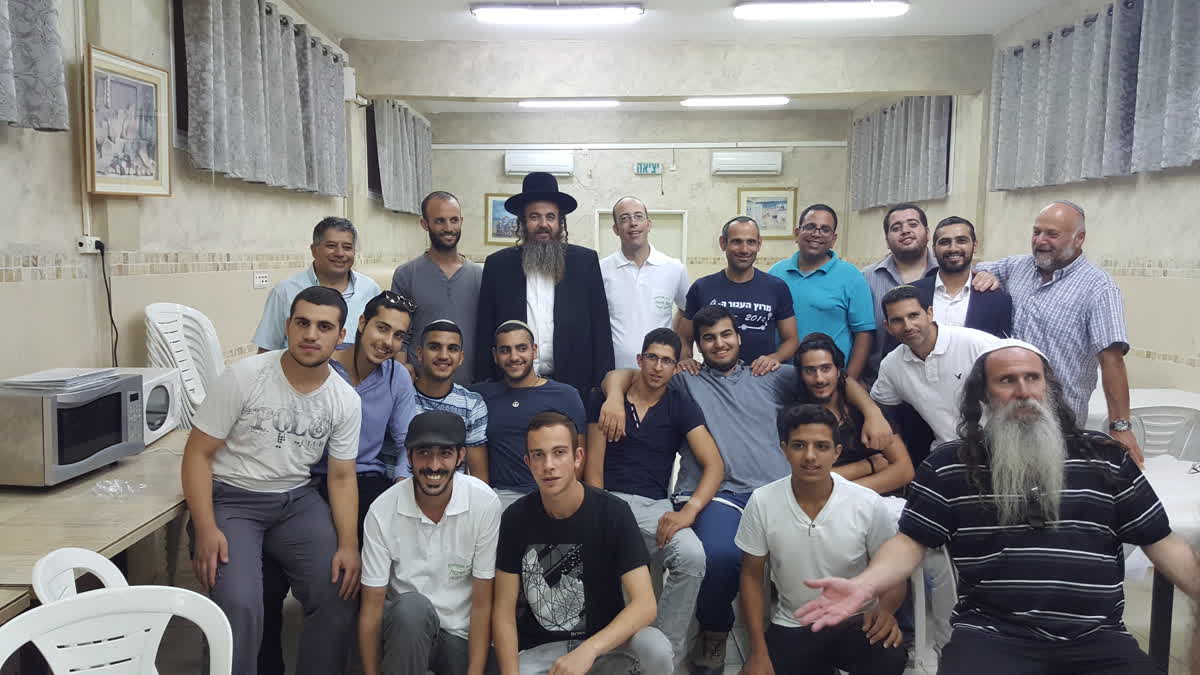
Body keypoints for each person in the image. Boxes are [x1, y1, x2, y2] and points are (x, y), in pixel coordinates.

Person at [796, 341, 1200, 675]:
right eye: (1007, 380)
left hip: (1097, 637)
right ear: (984, 396)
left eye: (1032, 378)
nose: (1023, 391)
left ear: (1048, 388)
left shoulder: (1105, 459)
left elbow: (1159, 540)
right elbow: (910, 542)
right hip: (992, 636)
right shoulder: (950, 466)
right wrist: (865, 585)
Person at [598, 305, 892, 674]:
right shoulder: (686, 378)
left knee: (823, 545)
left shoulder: (769, 374)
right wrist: (613, 397)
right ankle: (715, 631)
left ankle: (822, 633)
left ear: (739, 337)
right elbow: (624, 375)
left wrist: (874, 412)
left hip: (776, 491)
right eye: (709, 338)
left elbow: (833, 378)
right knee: (719, 556)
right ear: (698, 346)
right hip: (719, 494)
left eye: (726, 335)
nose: (719, 344)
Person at [182, 286, 361, 675]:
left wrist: (349, 545)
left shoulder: (345, 399)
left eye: (324, 327)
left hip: (297, 501)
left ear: (341, 335)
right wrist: (205, 527)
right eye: (303, 323)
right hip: (234, 499)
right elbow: (197, 454)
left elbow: (342, 476)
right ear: (287, 326)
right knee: (239, 602)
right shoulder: (245, 377)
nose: (311, 335)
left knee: (338, 589)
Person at [259, 290, 419, 675]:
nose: (388, 342)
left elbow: (407, 442)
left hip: (362, 479)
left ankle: (353, 656)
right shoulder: (322, 363)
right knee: (267, 577)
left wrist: (401, 483)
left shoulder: (396, 377)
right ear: (361, 324)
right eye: (382, 328)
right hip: (306, 477)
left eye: (398, 336)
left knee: (354, 569)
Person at [493, 411, 673, 675]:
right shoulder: (515, 518)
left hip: (604, 649)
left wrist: (588, 650)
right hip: (541, 655)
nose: (548, 465)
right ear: (528, 463)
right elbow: (503, 613)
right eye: (538, 455)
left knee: (654, 646)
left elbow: (645, 604)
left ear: (578, 457)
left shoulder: (613, 512)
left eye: (559, 453)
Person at [584, 327, 723, 668]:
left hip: (654, 506)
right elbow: (593, 469)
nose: (658, 367)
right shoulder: (607, 400)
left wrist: (689, 511)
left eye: (666, 361)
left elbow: (715, 465)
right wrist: (599, 510)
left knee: (692, 556)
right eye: (652, 358)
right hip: (608, 499)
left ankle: (663, 653)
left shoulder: (679, 406)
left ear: (676, 367)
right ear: (640, 359)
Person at [737, 404, 906, 675]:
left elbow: (893, 573)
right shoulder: (762, 501)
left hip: (856, 619)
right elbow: (751, 576)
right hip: (795, 622)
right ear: (784, 450)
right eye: (799, 445)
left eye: (822, 446)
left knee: (889, 654)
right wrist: (757, 651)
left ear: (837, 452)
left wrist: (885, 610)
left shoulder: (867, 502)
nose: (810, 456)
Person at [975, 200, 1143, 463]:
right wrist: (985, 275)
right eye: (1036, 232)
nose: (1040, 240)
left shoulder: (1099, 288)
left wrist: (1120, 427)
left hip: (1058, 427)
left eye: (1052, 234)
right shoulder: (1017, 267)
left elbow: (1112, 361)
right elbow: (974, 269)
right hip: (1006, 418)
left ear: (1079, 239)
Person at [358, 411, 502, 675]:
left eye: (445, 453)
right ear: (409, 456)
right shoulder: (382, 510)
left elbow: (483, 605)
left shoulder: (484, 503)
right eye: (424, 453)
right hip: (405, 637)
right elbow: (371, 610)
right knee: (411, 610)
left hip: (460, 639)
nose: (434, 466)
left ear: (460, 456)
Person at [474, 172, 614, 400]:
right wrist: (484, 386)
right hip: (510, 386)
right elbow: (485, 331)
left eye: (550, 216)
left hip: (573, 386)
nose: (543, 224)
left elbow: (600, 330)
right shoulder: (498, 266)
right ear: (522, 222)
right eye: (534, 217)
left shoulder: (584, 262)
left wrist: (602, 386)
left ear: (560, 222)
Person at [871, 285, 999, 467]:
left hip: (999, 449)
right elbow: (882, 408)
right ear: (888, 327)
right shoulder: (891, 365)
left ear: (930, 313)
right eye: (897, 320)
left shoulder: (978, 344)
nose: (908, 326)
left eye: (913, 315)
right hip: (946, 456)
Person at [470, 320, 586, 509]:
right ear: (495, 355)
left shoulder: (566, 395)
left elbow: (578, 457)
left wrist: (562, 498)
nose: (514, 357)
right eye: (505, 350)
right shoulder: (480, 396)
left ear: (534, 350)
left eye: (521, 348)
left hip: (552, 495)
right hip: (499, 498)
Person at [794, 332, 913, 495]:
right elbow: (808, 480)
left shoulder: (865, 410)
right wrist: (869, 465)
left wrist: (846, 492)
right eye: (810, 371)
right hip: (828, 503)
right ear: (801, 375)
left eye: (826, 368)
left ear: (838, 371)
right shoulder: (797, 418)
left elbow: (905, 470)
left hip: (881, 500)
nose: (819, 378)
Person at [679, 216, 798, 376]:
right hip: (714, 381)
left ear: (759, 244)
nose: (744, 250)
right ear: (723, 243)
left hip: (761, 379)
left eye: (751, 242)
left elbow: (791, 340)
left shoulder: (777, 287)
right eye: (737, 242)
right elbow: (684, 338)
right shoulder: (701, 288)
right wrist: (686, 359)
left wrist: (774, 358)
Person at [769, 204, 875, 380]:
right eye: (810, 227)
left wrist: (848, 381)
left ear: (833, 239)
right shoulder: (776, 273)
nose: (816, 234)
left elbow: (864, 333)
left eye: (825, 229)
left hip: (828, 381)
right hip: (781, 377)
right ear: (797, 233)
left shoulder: (851, 276)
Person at [392, 191, 484, 384]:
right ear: (424, 224)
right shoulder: (406, 274)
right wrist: (402, 375)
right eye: (440, 221)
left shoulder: (481, 276)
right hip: (420, 388)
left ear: (461, 221)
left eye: (454, 220)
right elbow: (400, 333)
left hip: (473, 388)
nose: (448, 228)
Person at [253, 217, 381, 352]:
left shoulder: (370, 289)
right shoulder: (285, 291)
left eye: (347, 247)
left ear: (354, 252)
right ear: (314, 250)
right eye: (331, 246)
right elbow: (266, 350)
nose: (340, 253)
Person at [600, 196, 690, 369]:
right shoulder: (601, 270)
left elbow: (687, 311)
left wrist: (682, 347)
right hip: (614, 373)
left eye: (638, 216)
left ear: (648, 224)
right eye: (624, 218)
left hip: (661, 372)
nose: (633, 223)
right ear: (616, 229)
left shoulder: (674, 268)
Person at [398, 319, 490, 481]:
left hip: (451, 492)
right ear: (419, 353)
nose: (443, 356)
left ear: (461, 357)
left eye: (452, 349)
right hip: (397, 489)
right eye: (434, 347)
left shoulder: (472, 404)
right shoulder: (398, 393)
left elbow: (479, 478)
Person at [861, 203, 937, 374]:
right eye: (896, 228)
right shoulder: (865, 278)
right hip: (880, 379)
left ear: (928, 233)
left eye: (913, 224)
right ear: (887, 241)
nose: (905, 231)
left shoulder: (948, 273)